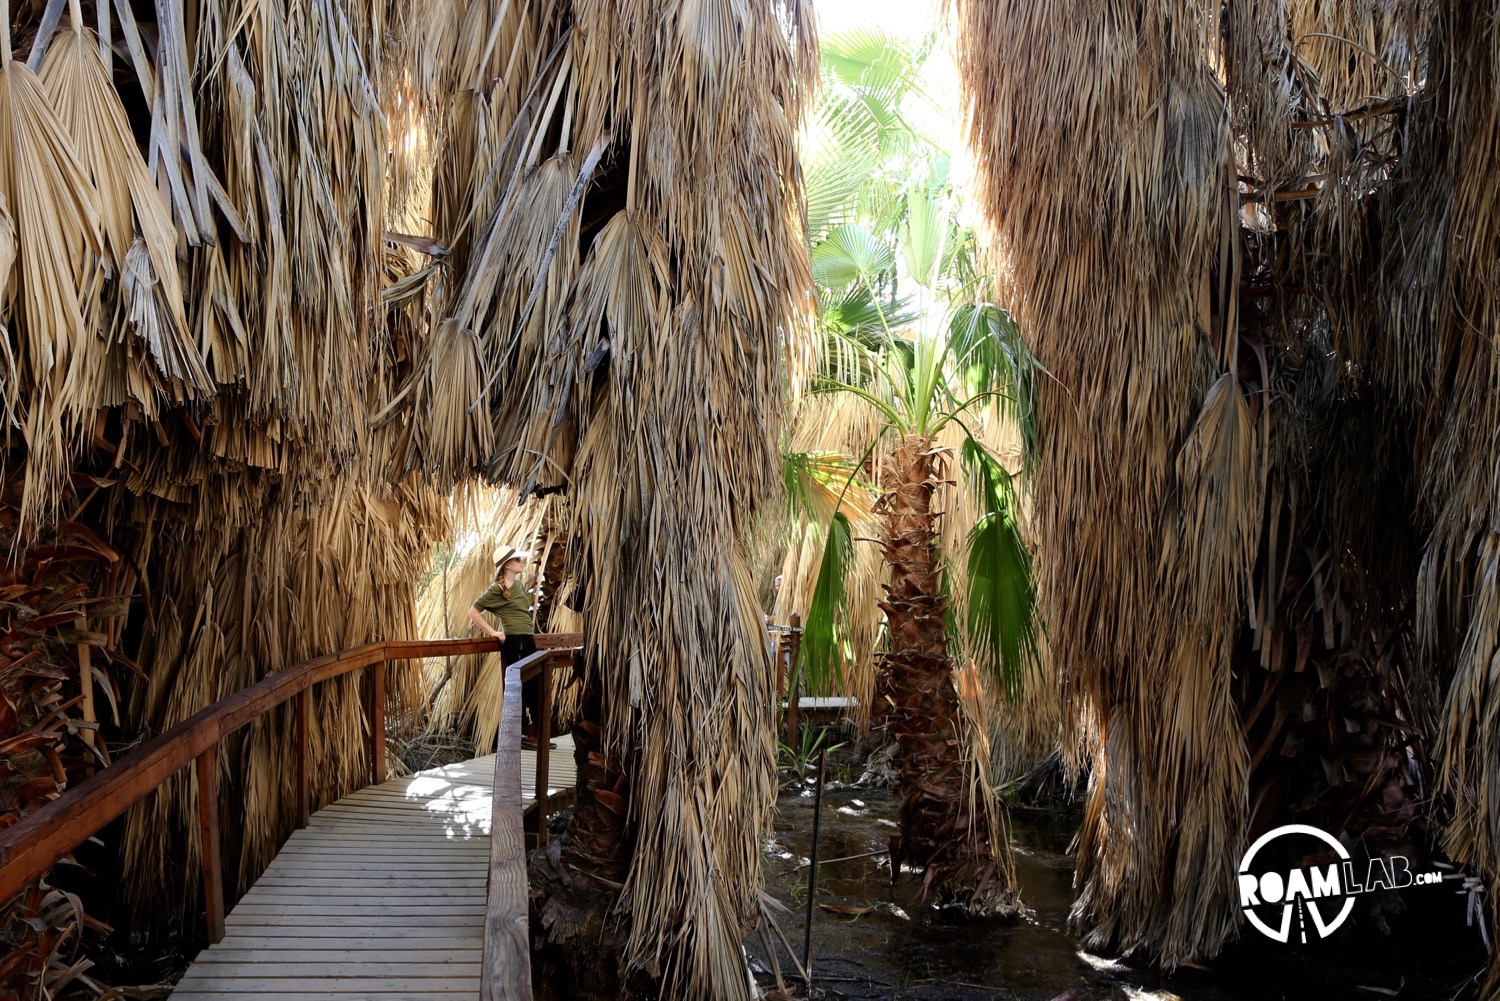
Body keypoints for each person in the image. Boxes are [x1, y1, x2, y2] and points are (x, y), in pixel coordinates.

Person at [468, 545, 543, 749]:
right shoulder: (497, 589)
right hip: (514, 641)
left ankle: (534, 734)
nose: (521, 562)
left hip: (527, 639)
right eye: (518, 560)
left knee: (534, 684)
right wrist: (493, 633)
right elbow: (473, 611)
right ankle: (522, 735)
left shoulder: (517, 585)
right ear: (508, 565)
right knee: (518, 686)